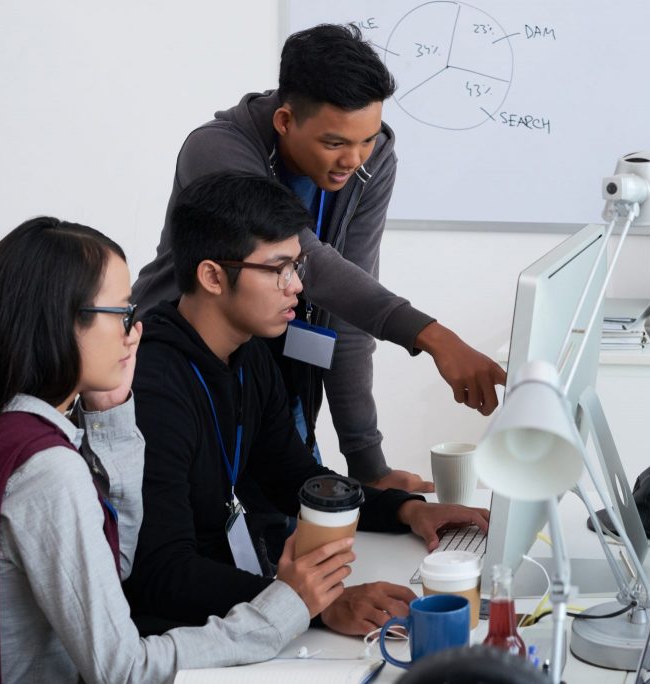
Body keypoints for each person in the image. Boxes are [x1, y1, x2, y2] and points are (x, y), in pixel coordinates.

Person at [0, 217, 356, 683]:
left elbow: (111, 565)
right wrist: (282, 609)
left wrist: (112, 414)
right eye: (121, 312)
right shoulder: (46, 470)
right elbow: (122, 669)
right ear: (62, 322)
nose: (133, 331)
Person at [131, 23, 506, 492]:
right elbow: (313, 262)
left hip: (272, 376)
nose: (353, 159)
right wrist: (430, 335)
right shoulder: (217, 149)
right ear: (285, 121)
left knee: (294, 517)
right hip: (183, 369)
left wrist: (368, 465)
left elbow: (346, 317)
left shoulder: (373, 159)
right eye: (335, 143)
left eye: (365, 139)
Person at [124, 173, 489, 637]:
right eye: (278, 269)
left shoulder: (248, 351)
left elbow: (291, 477)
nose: (295, 286)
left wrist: (406, 511)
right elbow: (160, 572)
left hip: (235, 598)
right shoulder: (152, 385)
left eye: (297, 267)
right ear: (213, 276)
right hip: (178, 634)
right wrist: (311, 605)